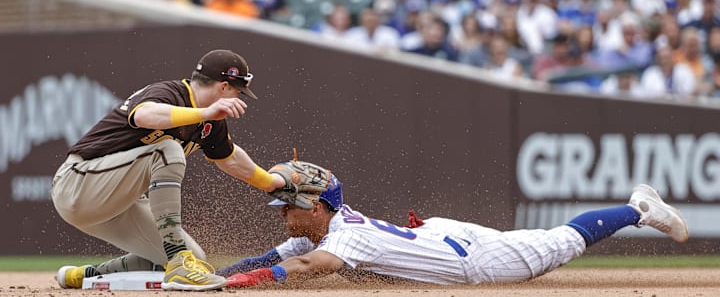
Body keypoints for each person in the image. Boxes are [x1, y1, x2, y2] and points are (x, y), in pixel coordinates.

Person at [52, 49, 292, 291]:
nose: (238, 96)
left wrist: (271, 183)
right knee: (166, 149)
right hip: (77, 184)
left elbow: (229, 159)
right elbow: (144, 115)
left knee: (196, 259)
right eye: (237, 90)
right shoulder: (169, 93)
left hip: (115, 205)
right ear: (223, 87)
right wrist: (205, 113)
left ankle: (82, 276)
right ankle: (178, 260)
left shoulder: (211, 120)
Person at [218, 168, 688, 287]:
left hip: (474, 261)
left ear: (317, 206)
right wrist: (217, 278)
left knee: (559, 242)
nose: (283, 212)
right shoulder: (321, 228)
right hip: (437, 237)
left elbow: (304, 266)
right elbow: (270, 259)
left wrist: (244, 283)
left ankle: (637, 208)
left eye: (289, 205)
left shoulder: (343, 236)